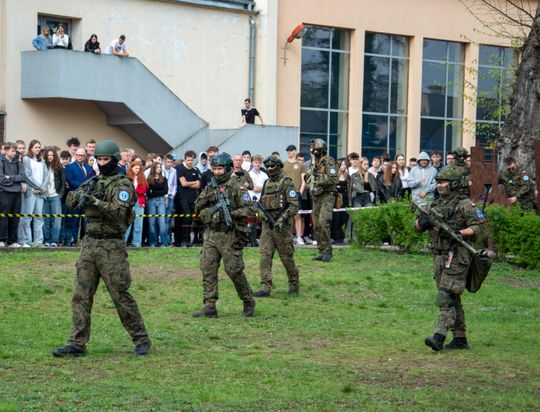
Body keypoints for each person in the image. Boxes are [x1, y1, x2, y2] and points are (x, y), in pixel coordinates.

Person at [53, 140, 151, 357]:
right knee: (81, 295)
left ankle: (141, 339)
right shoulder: (93, 181)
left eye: (106, 159)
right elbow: (70, 200)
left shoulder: (122, 184)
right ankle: (77, 343)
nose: (102, 162)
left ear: (115, 160)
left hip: (111, 245)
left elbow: (118, 211)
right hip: (90, 243)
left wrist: (96, 202)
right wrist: (78, 196)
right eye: (98, 159)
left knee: (120, 294)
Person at [414, 166, 486, 351]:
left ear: (453, 184)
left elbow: (479, 227)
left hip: (458, 255)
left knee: (445, 295)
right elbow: (416, 225)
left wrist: (459, 232)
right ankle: (460, 339)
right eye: (438, 182)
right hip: (439, 256)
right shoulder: (435, 204)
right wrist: (422, 223)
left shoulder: (465, 204)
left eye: (444, 182)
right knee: (453, 298)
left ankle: (439, 337)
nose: (440, 185)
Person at [193, 153, 256, 318]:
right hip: (211, 234)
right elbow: (197, 206)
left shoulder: (236, 185)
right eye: (214, 169)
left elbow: (249, 210)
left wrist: (231, 213)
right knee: (207, 269)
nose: (217, 172)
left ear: (227, 168)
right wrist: (207, 202)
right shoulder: (210, 186)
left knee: (234, 270)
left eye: (220, 169)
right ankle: (209, 306)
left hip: (230, 234)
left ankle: (248, 299)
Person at [253, 155, 300, 297]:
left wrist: (282, 219)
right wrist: (260, 213)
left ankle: (293, 283)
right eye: (268, 166)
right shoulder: (267, 183)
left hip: (282, 228)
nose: (269, 169)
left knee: (286, 258)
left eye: (272, 166)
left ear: (279, 167)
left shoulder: (286, 183)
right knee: (265, 256)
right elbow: (260, 203)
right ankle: (265, 286)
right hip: (267, 227)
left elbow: (293, 206)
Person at [305, 138, 338, 262]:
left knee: (323, 223)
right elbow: (308, 177)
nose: (313, 151)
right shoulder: (314, 163)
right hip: (317, 196)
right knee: (317, 225)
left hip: (327, 195)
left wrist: (318, 178)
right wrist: (309, 176)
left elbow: (334, 179)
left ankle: (327, 251)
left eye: (315, 149)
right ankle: (321, 250)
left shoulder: (329, 161)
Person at [19, 140, 49, 248]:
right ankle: (27, 241)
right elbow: (28, 176)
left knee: (39, 217)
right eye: (36, 147)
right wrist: (39, 187)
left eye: (39, 147)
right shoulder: (26, 159)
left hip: (40, 193)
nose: (38, 149)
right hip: (31, 192)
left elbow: (46, 176)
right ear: (31, 148)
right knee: (27, 217)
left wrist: (43, 188)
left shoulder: (42, 161)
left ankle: (38, 241)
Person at [65, 148, 94, 245]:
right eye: (78, 155)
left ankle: (84, 239)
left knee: (85, 220)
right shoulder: (69, 167)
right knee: (74, 220)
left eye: (82, 155)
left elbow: (93, 180)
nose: (79, 157)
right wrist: (84, 187)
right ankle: (73, 239)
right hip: (75, 197)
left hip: (86, 198)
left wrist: (88, 189)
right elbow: (70, 181)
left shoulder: (89, 168)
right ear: (75, 155)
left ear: (85, 156)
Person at [0, 143, 27, 248]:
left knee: (15, 217)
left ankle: (13, 241)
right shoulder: (1, 161)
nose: (14, 153)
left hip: (17, 193)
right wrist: (15, 179)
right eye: (12, 151)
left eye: (15, 151)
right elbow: (1, 178)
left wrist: (9, 178)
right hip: (5, 193)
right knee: (3, 217)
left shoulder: (18, 162)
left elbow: (23, 177)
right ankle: (1, 240)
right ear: (6, 151)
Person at [174, 150, 201, 247]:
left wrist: (189, 183)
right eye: (188, 160)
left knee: (190, 218)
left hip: (192, 197)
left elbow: (198, 185)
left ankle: (188, 240)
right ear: (185, 159)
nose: (190, 162)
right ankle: (182, 240)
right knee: (185, 217)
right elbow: (183, 183)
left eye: (192, 160)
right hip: (182, 197)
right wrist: (193, 182)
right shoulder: (180, 168)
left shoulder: (195, 170)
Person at [283, 144, 307, 245]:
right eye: (288, 151)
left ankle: (299, 237)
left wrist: (300, 192)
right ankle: (288, 236)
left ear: (295, 151)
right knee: (286, 216)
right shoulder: (283, 164)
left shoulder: (301, 165)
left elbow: (304, 180)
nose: (289, 152)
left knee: (297, 215)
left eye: (291, 150)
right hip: (286, 192)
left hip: (296, 192)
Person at [42, 147, 66, 247]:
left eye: (52, 155)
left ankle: (54, 240)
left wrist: (59, 195)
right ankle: (47, 240)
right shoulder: (42, 166)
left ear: (55, 156)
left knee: (56, 220)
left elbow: (63, 182)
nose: (50, 157)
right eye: (48, 155)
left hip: (55, 196)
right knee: (45, 219)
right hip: (45, 195)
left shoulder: (59, 167)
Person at [125, 159, 146, 247]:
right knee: (128, 223)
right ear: (131, 168)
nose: (138, 170)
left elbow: (143, 190)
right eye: (136, 168)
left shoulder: (142, 178)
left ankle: (136, 243)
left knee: (138, 224)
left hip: (139, 202)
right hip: (129, 201)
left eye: (139, 169)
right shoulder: (127, 178)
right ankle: (124, 242)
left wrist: (134, 190)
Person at [146, 163, 169, 247]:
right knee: (152, 221)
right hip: (151, 201)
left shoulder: (164, 179)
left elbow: (165, 191)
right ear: (153, 169)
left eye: (160, 167)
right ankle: (153, 242)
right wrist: (156, 192)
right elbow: (148, 193)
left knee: (161, 221)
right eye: (157, 167)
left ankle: (164, 242)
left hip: (161, 200)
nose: (159, 169)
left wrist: (153, 191)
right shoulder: (149, 179)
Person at [331, 158, 350, 244]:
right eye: (342, 164)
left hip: (345, 198)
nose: (344, 166)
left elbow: (349, 187)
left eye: (345, 164)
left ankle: (341, 237)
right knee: (336, 218)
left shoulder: (348, 175)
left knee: (343, 218)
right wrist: (340, 188)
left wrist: (341, 188)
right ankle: (335, 237)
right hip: (337, 198)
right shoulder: (335, 175)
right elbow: (334, 187)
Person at [162, 154, 177, 240]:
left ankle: (167, 239)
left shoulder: (174, 171)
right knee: (161, 219)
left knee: (168, 218)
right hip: (162, 196)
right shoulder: (161, 169)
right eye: (168, 162)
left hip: (170, 196)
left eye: (171, 162)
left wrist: (173, 194)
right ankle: (161, 237)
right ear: (165, 162)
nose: (169, 164)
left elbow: (175, 184)